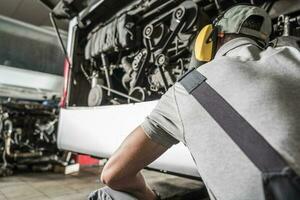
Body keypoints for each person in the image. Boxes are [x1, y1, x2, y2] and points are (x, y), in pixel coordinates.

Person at [88, 5, 300, 200]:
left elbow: (113, 174)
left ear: (212, 37)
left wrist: (151, 196)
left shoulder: (186, 89)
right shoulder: (293, 56)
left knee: (106, 195)